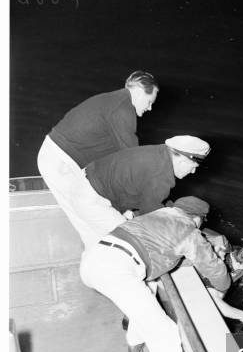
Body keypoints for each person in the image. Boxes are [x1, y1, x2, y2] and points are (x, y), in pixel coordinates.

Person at [79, 196, 231, 352]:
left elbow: (157, 250)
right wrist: (222, 290)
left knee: (145, 293)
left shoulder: (157, 215)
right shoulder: (188, 229)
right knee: (167, 336)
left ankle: (134, 344)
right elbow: (214, 268)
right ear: (196, 219)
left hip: (93, 260)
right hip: (115, 270)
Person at [37, 71, 159, 248]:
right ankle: (109, 267)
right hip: (61, 162)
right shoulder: (123, 108)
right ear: (140, 90)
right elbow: (132, 161)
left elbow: (114, 162)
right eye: (149, 102)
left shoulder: (113, 101)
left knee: (90, 221)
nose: (150, 108)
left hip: (57, 158)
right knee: (97, 223)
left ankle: (101, 264)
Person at [84, 136, 210, 216]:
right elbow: (150, 214)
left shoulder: (161, 151)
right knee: (111, 240)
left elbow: (142, 188)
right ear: (182, 161)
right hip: (93, 194)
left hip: (89, 174)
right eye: (193, 167)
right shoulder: (162, 175)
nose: (193, 172)